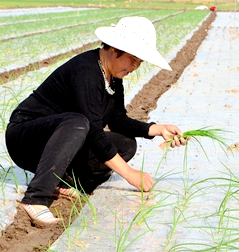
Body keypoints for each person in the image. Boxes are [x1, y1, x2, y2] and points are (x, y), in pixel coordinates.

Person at [6, 17, 186, 227]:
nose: (135, 66)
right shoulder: (86, 70)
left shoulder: (113, 79)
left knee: (125, 144)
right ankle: (36, 198)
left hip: (60, 140)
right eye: (133, 59)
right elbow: (91, 129)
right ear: (115, 48)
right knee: (79, 123)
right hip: (26, 138)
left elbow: (117, 120)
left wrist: (157, 129)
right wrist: (128, 174)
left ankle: (60, 181)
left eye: (140, 62)